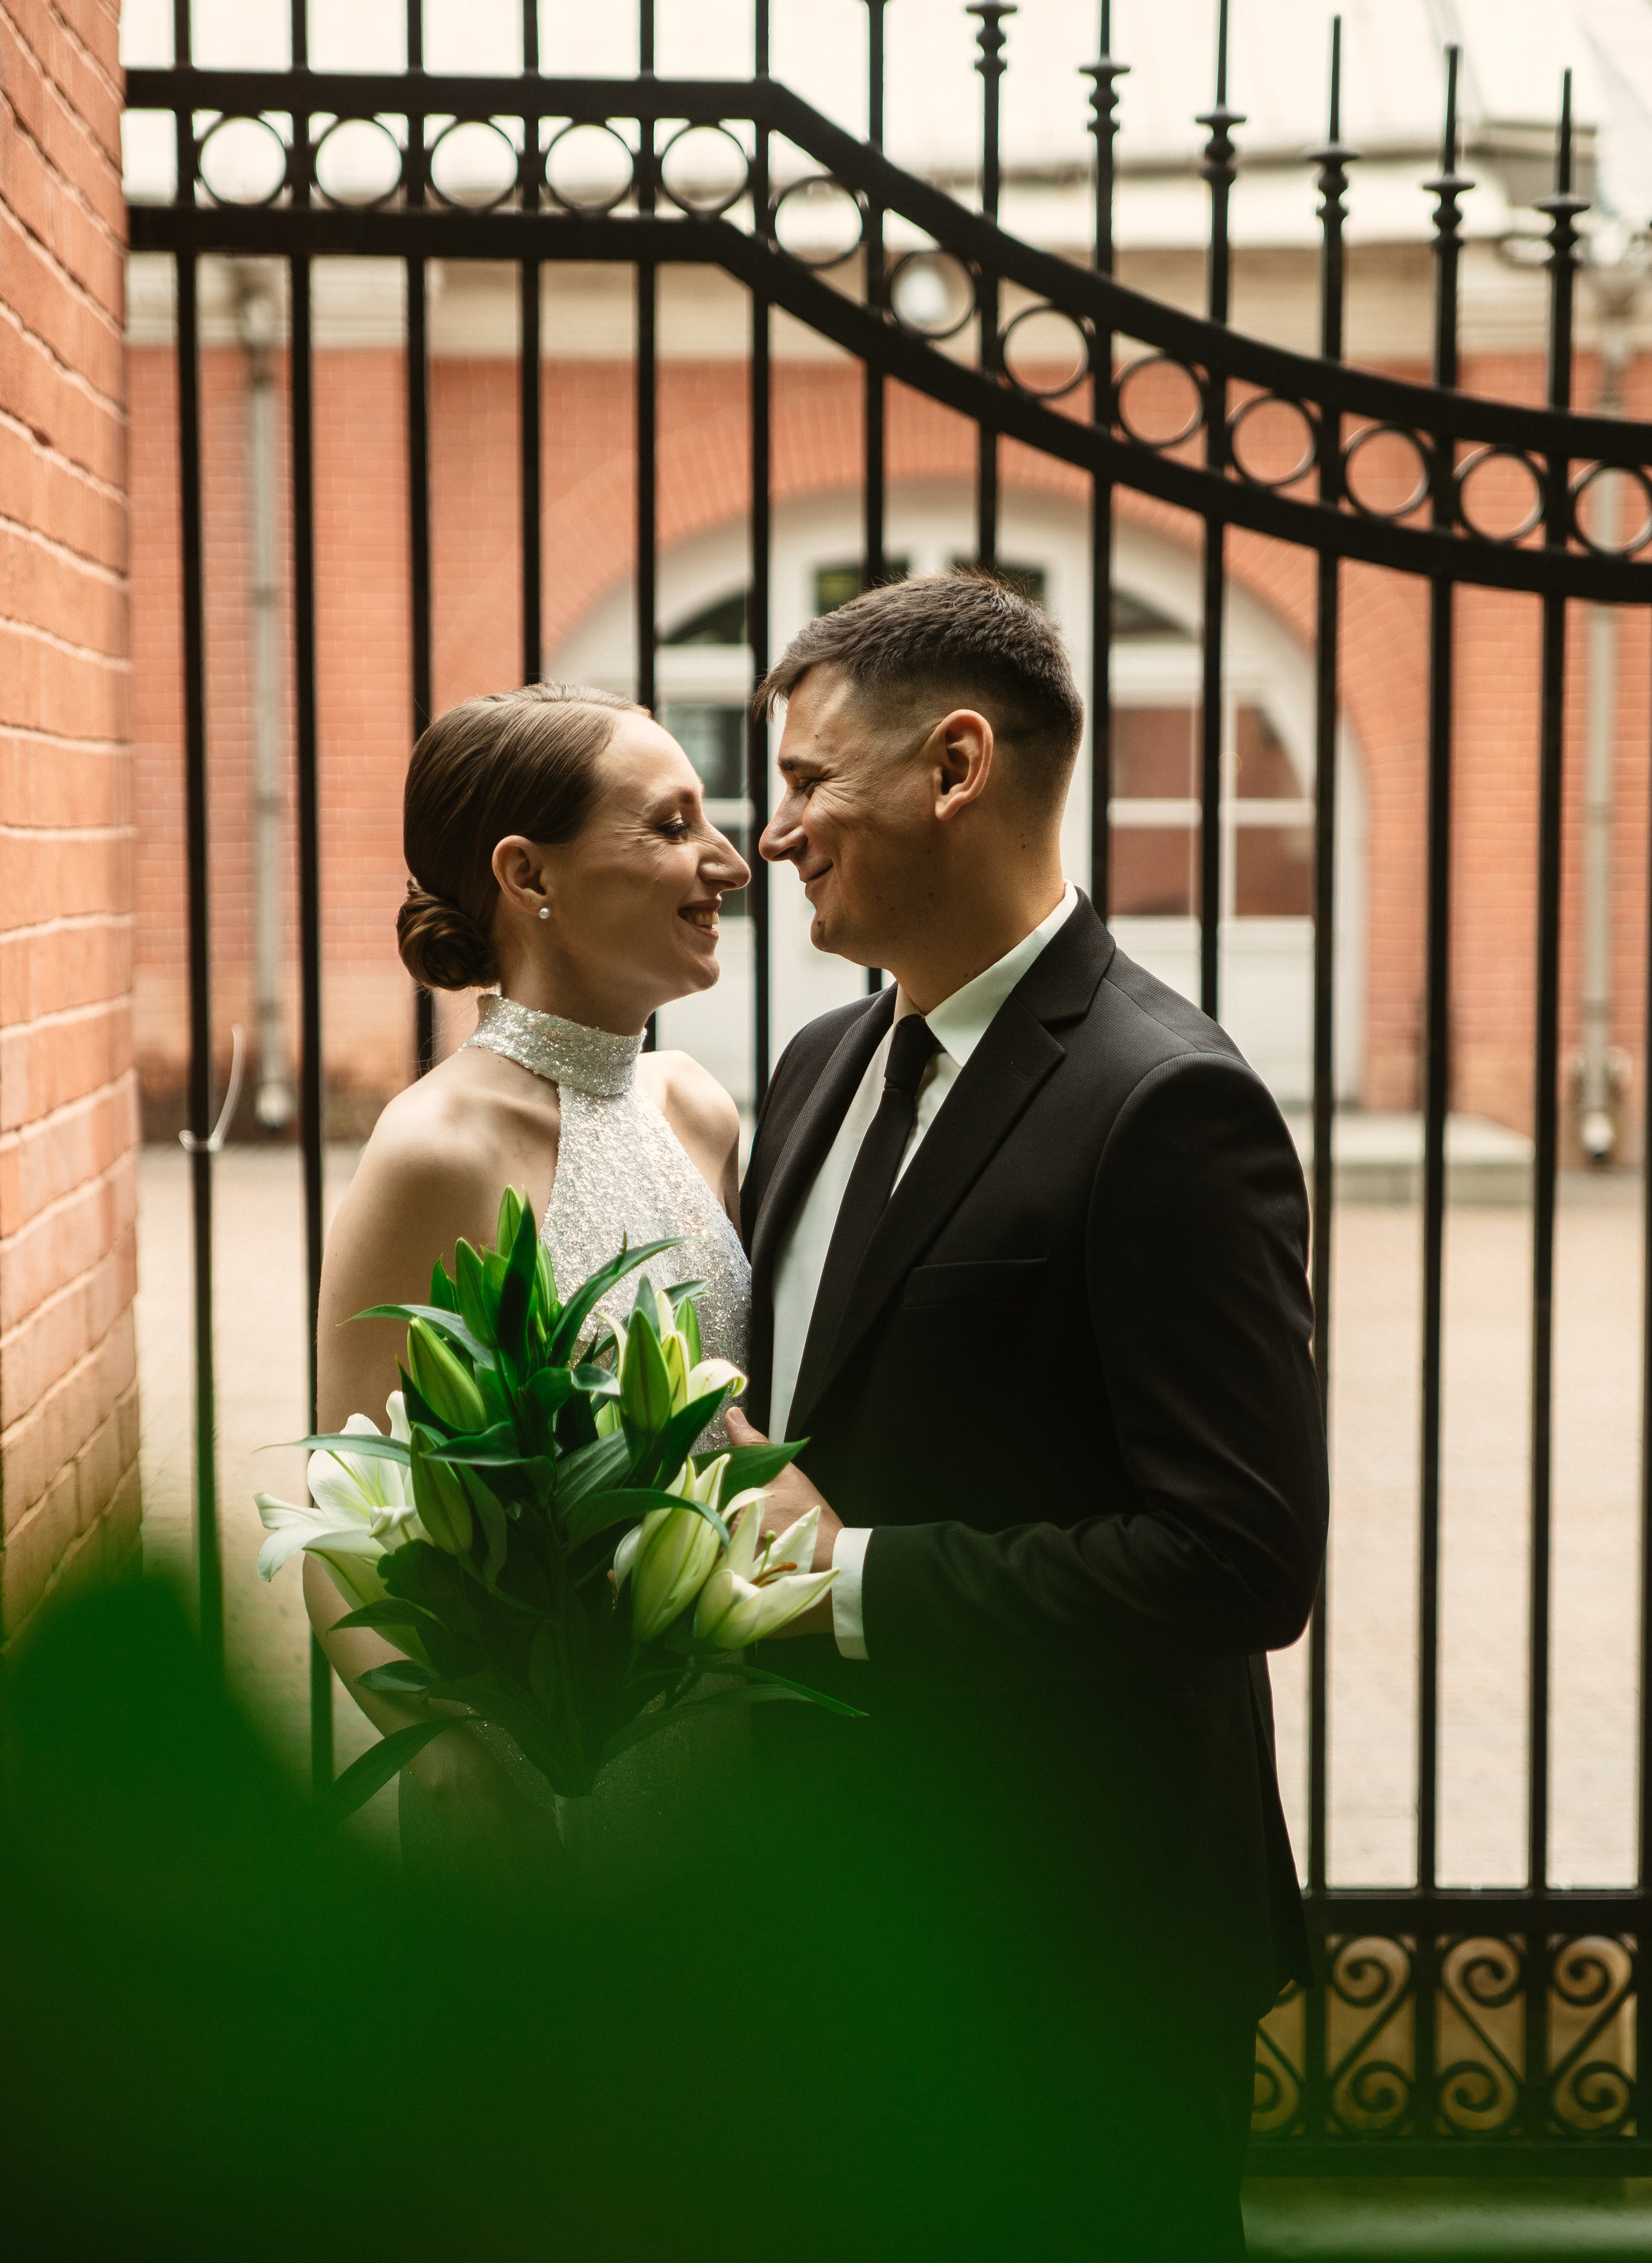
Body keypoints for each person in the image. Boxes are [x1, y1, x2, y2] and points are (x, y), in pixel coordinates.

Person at [723, 571, 1329, 2255]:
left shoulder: (1167, 1100)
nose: (775, 833)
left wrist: (853, 1583)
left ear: (956, 764)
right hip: (848, 1927)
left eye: (805, 780)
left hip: (1087, 1945)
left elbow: (1240, 1557)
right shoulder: (815, 1066)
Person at [306, 682, 751, 1884]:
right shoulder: (434, 1151)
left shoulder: (700, 1111)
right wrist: (451, 1762)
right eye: (670, 827)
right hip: (532, 1788)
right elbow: (341, 1520)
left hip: (729, 1741)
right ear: (529, 874)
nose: (729, 862)